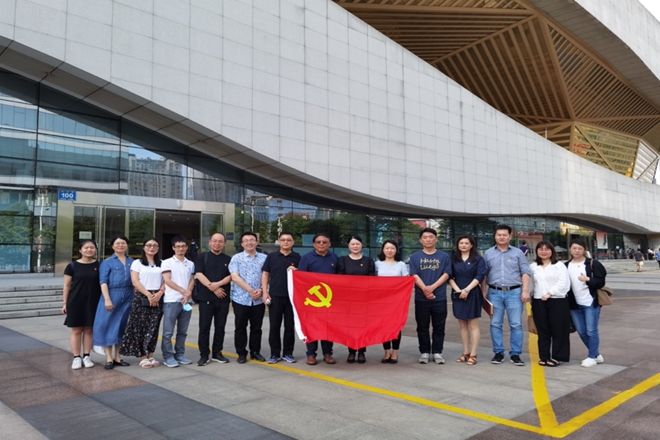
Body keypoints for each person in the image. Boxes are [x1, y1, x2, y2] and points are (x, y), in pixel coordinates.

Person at [482, 224, 531, 366]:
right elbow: (484, 274)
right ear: (495, 236)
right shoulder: (488, 253)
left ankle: (515, 354)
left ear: (510, 236)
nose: (501, 237)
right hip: (494, 292)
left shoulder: (518, 253)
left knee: (516, 324)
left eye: (504, 235)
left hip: (514, 292)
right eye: (499, 235)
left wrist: (525, 291)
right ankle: (498, 352)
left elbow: (525, 272)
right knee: (495, 324)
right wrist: (483, 291)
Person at [409, 228, 452, 365]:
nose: (428, 239)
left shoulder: (444, 256)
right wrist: (425, 290)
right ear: (421, 240)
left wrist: (432, 288)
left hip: (439, 297)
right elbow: (414, 275)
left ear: (436, 239)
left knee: (439, 326)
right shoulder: (414, 257)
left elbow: (446, 274)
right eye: (425, 237)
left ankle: (437, 351)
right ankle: (425, 352)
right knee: (422, 326)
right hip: (421, 298)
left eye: (431, 237)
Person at [120, 238, 165, 368]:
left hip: (158, 297)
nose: (152, 248)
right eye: (149, 245)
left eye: (155, 245)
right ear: (144, 248)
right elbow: (135, 281)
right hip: (141, 297)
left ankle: (150, 354)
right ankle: (142, 356)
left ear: (158, 248)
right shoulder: (137, 263)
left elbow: (166, 280)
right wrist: (148, 295)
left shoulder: (162, 263)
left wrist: (159, 294)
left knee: (153, 327)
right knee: (140, 328)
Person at [94, 235, 134, 370]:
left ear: (127, 245)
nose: (120, 245)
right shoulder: (107, 262)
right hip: (111, 295)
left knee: (122, 326)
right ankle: (108, 358)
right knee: (108, 325)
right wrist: (107, 299)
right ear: (112, 246)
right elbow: (103, 281)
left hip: (128, 296)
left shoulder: (132, 262)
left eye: (123, 243)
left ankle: (118, 357)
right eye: (117, 243)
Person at [565, 238, 606, 368]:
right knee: (581, 331)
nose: (577, 251)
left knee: (591, 330)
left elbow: (601, 282)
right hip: (574, 304)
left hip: (590, 302)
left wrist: (587, 279)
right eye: (574, 248)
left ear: (584, 250)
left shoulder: (592, 263)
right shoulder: (565, 266)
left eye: (580, 248)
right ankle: (596, 354)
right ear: (570, 249)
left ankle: (591, 357)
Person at [298, 233, 338, 365]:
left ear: (329, 244)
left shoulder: (334, 257)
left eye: (324, 242)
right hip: (312, 300)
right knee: (312, 327)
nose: (321, 244)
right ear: (314, 244)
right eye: (318, 242)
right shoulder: (306, 258)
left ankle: (328, 354)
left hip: (329, 299)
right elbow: (301, 279)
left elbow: (340, 278)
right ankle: (311, 354)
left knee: (328, 327)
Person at [261, 232, 301, 364]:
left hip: (292, 297)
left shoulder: (297, 257)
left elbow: (303, 276)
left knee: (290, 327)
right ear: (279, 241)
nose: (286, 242)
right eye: (283, 240)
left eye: (289, 240)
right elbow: (265, 274)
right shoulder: (272, 256)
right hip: (275, 295)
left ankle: (288, 353)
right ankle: (275, 354)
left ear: (293, 242)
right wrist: (265, 292)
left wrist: (296, 271)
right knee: (274, 326)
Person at [529, 241, 571, 367]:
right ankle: (544, 356)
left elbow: (563, 283)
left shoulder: (559, 266)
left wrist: (550, 293)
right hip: (538, 301)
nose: (543, 251)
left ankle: (557, 357)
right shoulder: (533, 266)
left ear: (552, 251)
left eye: (546, 249)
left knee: (559, 330)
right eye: (540, 249)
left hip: (557, 300)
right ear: (536, 251)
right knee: (542, 330)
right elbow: (531, 284)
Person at [448, 235, 487, 366]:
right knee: (462, 325)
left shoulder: (478, 259)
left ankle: (474, 354)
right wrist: (458, 291)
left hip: (473, 292)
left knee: (473, 324)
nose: (464, 245)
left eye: (466, 243)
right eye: (461, 243)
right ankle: (465, 352)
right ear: (458, 245)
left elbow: (480, 275)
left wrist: (467, 290)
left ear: (471, 245)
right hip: (457, 293)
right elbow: (449, 276)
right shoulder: (453, 259)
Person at [229, 231, 267, 364]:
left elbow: (267, 275)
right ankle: (241, 353)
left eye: (252, 240)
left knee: (257, 328)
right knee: (240, 327)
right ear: (242, 244)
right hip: (240, 298)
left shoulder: (264, 258)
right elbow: (235, 277)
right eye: (246, 240)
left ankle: (255, 351)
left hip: (258, 299)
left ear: (257, 242)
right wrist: (250, 290)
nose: (249, 242)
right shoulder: (236, 258)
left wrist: (261, 290)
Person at [62, 240, 101, 370]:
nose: (89, 250)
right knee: (76, 330)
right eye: (86, 247)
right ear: (80, 250)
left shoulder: (99, 265)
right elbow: (67, 285)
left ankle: (87, 356)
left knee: (89, 329)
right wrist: (65, 303)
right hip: (76, 301)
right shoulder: (72, 266)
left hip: (93, 301)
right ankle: (76, 358)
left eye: (92, 247)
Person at [194, 232, 232, 366]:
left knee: (220, 328)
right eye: (215, 241)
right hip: (205, 298)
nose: (217, 243)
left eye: (220, 241)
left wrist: (218, 284)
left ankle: (217, 353)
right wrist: (213, 288)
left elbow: (232, 276)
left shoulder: (229, 259)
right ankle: (204, 355)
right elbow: (199, 274)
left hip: (223, 299)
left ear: (224, 243)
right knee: (204, 328)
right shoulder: (201, 257)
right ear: (210, 242)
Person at [337, 235, 376, 364]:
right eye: (352, 244)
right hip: (348, 299)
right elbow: (339, 279)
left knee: (363, 325)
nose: (355, 246)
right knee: (350, 326)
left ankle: (362, 351)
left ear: (361, 245)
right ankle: (351, 351)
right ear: (348, 246)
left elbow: (372, 279)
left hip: (364, 299)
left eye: (357, 244)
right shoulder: (342, 260)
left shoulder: (368, 260)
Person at [161, 236, 195, 368]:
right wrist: (183, 291)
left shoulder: (190, 263)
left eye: (183, 246)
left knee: (182, 331)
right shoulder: (167, 262)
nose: (181, 249)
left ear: (186, 248)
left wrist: (188, 292)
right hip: (171, 301)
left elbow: (192, 279)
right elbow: (167, 280)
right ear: (173, 248)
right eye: (178, 246)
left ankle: (180, 354)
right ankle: (168, 357)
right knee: (168, 332)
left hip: (186, 301)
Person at [375, 240, 409, 364]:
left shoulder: (401, 265)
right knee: (384, 326)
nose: (389, 250)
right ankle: (386, 351)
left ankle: (395, 352)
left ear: (396, 250)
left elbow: (406, 282)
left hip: (397, 302)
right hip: (381, 301)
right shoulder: (377, 264)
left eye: (392, 248)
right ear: (383, 250)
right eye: (387, 248)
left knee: (396, 327)